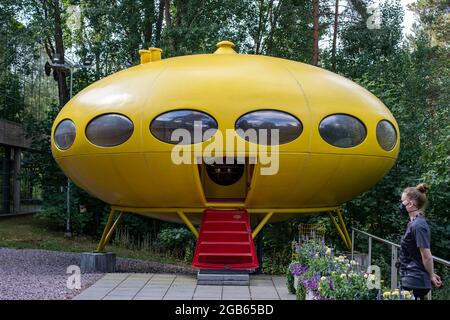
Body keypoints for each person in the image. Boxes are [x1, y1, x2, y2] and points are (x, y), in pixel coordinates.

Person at [399, 183, 442, 300]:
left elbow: (426, 255)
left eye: (403, 201)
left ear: (411, 204)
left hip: (416, 281)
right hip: (411, 277)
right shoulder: (413, 223)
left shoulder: (419, 226)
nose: (401, 204)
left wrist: (431, 275)